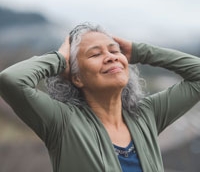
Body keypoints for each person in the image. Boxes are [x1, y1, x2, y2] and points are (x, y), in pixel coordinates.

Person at [0, 23, 200, 172]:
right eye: (95, 54)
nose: (111, 56)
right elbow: (11, 80)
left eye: (114, 51)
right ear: (77, 77)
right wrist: (60, 58)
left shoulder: (146, 115)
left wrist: (140, 52)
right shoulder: (63, 122)